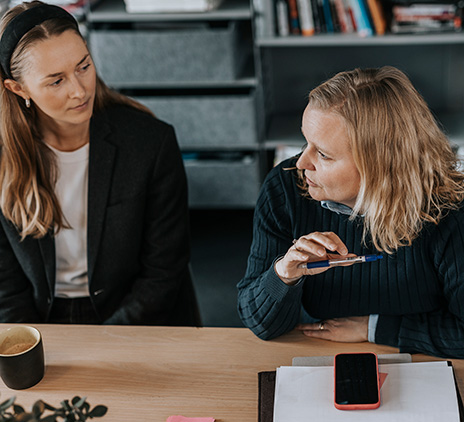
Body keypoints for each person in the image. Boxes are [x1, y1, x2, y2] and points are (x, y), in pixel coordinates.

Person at [237, 66, 464, 358]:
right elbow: (260, 324)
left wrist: (374, 328)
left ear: (380, 164)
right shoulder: (285, 188)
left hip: (419, 361)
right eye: (305, 142)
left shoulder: (450, 208)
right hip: (316, 351)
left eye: (323, 154)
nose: (302, 162)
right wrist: (284, 273)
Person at [0, 0, 200, 325]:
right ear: (18, 88)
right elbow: (6, 288)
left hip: (139, 316)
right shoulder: (4, 157)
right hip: (42, 319)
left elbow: (164, 271)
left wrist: (106, 342)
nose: (80, 91)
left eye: (84, 66)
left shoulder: (150, 142)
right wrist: (34, 341)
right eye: (56, 81)